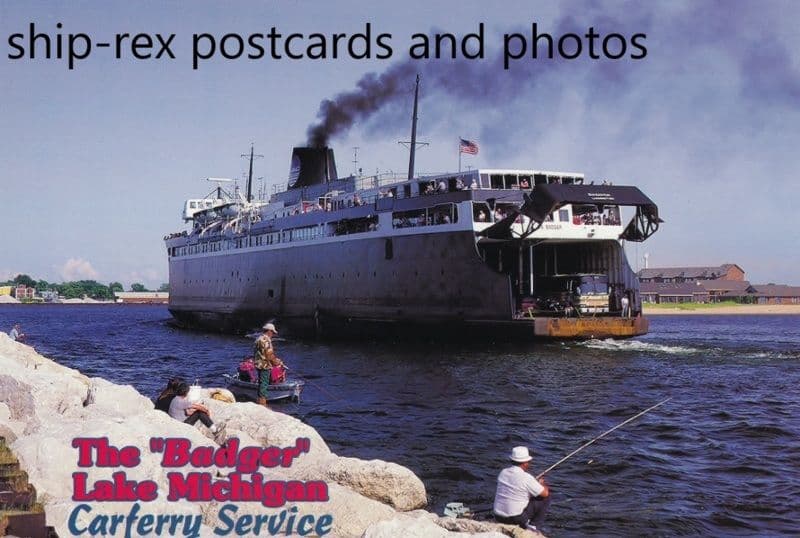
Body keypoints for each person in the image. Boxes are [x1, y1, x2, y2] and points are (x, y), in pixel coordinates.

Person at [493, 446, 550, 531]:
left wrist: (533, 483)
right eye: (529, 462)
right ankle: (533, 526)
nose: (529, 463)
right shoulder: (527, 478)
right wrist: (542, 484)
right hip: (514, 519)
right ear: (525, 463)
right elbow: (545, 493)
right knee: (545, 498)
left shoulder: (503, 472)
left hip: (498, 516)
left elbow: (517, 487)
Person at [254, 322, 284, 407]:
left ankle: (260, 401)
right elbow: (269, 354)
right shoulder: (266, 340)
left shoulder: (259, 338)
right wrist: (276, 362)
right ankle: (262, 404)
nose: (273, 334)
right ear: (269, 331)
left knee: (261, 383)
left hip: (259, 364)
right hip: (265, 365)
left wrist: (274, 359)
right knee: (264, 384)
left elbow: (262, 353)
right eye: (273, 332)